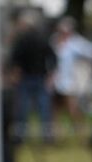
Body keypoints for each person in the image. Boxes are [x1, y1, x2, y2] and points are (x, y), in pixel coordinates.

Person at [8, 12, 56, 143]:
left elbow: (14, 60)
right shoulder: (42, 38)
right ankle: (48, 137)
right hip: (40, 78)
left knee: (22, 110)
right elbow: (53, 57)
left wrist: (14, 75)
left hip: (26, 79)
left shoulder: (21, 40)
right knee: (44, 110)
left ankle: (19, 137)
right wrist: (51, 74)